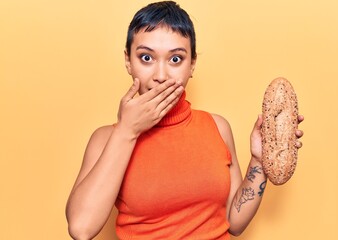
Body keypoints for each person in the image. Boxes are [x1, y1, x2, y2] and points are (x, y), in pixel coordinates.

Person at [65, 1, 304, 239]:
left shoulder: (217, 128)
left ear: (192, 64)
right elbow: (81, 228)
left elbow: (234, 223)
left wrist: (259, 162)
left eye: (175, 59)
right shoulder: (106, 138)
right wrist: (127, 130)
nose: (161, 76)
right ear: (128, 61)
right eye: (146, 58)